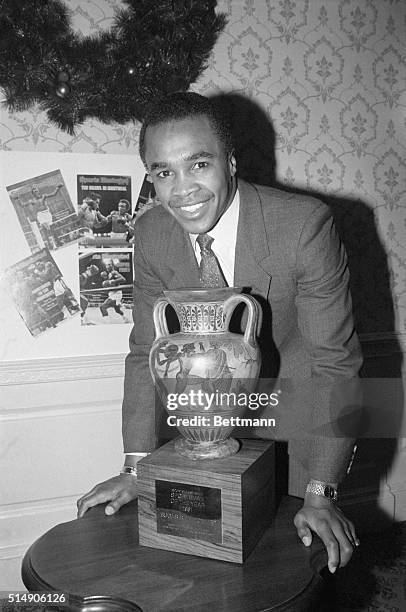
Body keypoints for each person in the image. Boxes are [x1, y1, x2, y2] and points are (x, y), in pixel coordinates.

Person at [77, 92, 362, 574]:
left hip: (291, 432)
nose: (182, 190)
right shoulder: (149, 235)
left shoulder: (303, 225)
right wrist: (135, 466)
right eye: (163, 172)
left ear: (230, 162)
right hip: (193, 437)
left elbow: (335, 362)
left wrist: (323, 490)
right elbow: (144, 352)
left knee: (287, 576)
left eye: (199, 164)